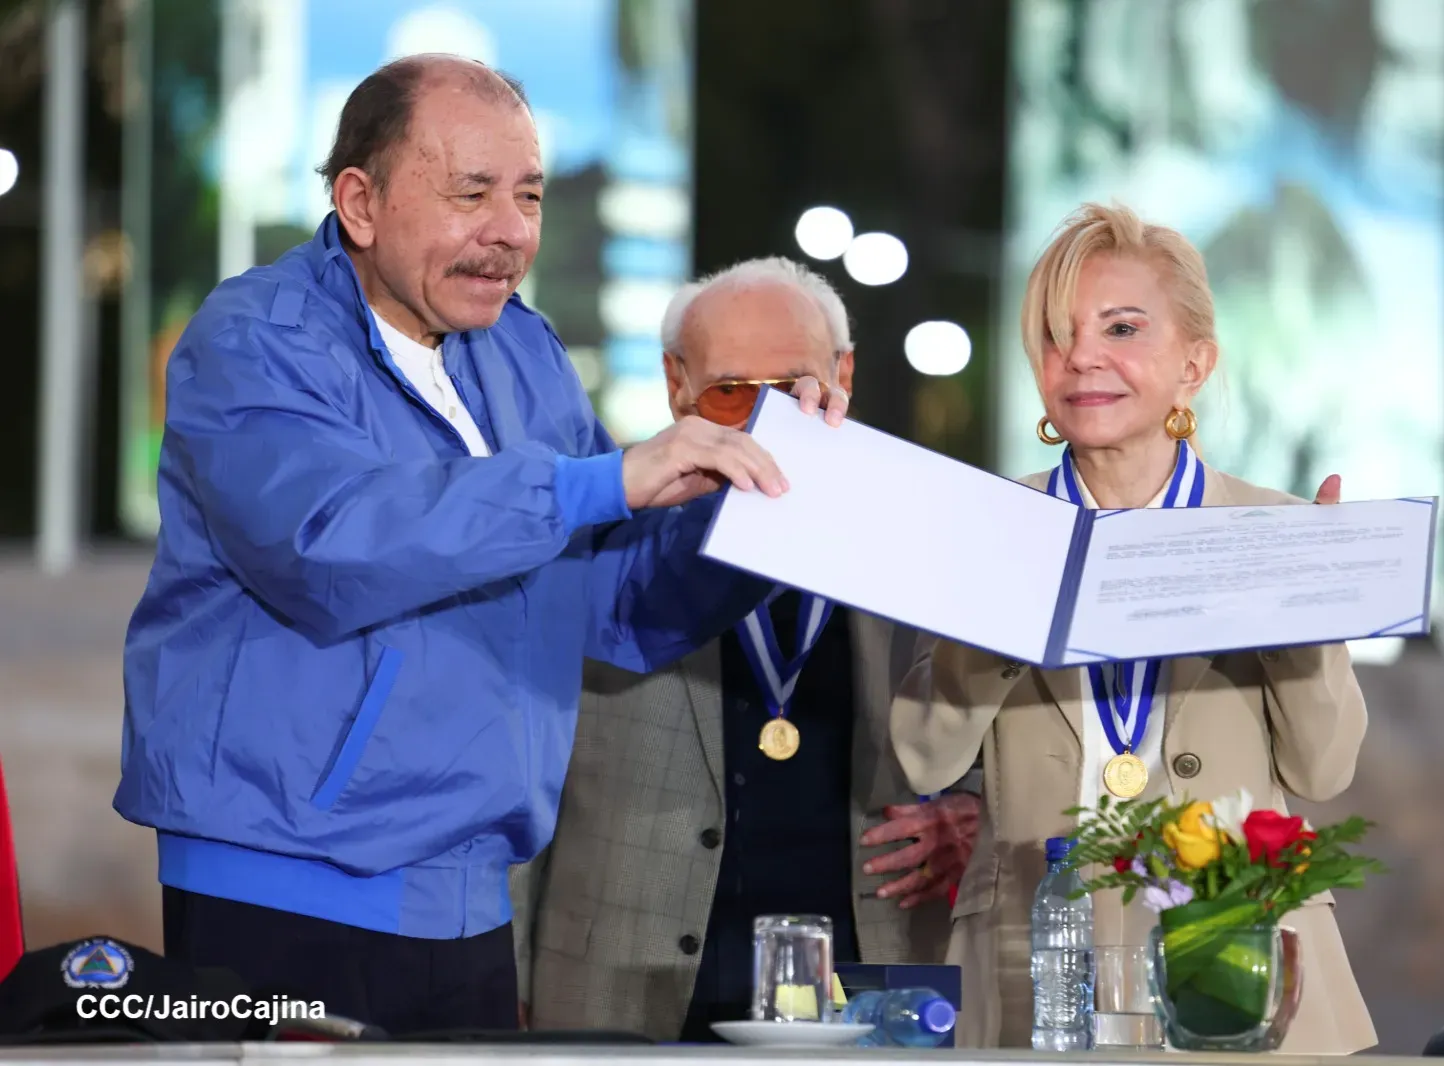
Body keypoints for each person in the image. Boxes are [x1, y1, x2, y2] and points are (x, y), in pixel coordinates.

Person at [112, 55, 847, 1037]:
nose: (511, 231)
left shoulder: (524, 352)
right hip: (286, 884)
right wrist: (603, 478)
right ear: (360, 202)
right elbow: (332, 543)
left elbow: (619, 601)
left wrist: (771, 501)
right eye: (472, 193)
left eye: (529, 195)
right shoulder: (252, 340)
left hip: (472, 895)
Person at [889, 202, 1376, 1053]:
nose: (1081, 357)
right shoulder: (986, 527)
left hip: (1236, 970)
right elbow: (926, 756)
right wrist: (1002, 601)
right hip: (1033, 975)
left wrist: (1307, 605)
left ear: (1195, 365)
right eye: (1055, 334)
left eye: (1121, 328)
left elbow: (1323, 769)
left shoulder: (1277, 526)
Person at [511, 258, 981, 1040]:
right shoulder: (596, 534)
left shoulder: (928, 537)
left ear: (845, 374)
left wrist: (967, 811)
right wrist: (505, 976)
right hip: (624, 988)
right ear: (675, 383)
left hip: (876, 993)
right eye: (732, 393)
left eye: (796, 391)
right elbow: (518, 770)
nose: (766, 424)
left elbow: (992, 749)